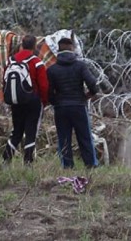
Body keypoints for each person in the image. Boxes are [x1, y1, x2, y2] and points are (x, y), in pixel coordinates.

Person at [47, 37, 99, 169]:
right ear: (72, 48)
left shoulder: (52, 69)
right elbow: (93, 84)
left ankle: (67, 166)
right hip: (78, 106)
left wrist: (56, 102)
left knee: (64, 139)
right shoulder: (80, 66)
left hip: (61, 108)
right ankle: (91, 165)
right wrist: (87, 96)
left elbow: (49, 92)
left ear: (58, 49)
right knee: (85, 137)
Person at [2, 34, 49, 165]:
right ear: (34, 46)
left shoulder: (10, 61)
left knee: (16, 130)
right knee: (31, 131)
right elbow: (44, 86)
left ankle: (6, 158)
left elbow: (4, 82)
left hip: (16, 101)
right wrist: (44, 101)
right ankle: (28, 161)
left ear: (22, 45)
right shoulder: (36, 62)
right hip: (33, 100)